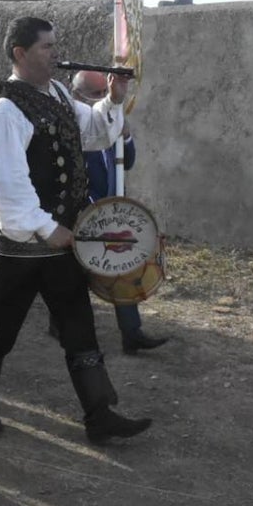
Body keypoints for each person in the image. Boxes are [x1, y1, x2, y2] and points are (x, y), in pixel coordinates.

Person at [0, 16, 151, 445]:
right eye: (47, 47)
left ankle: (99, 414)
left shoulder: (59, 95)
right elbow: (7, 186)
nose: (55, 53)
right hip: (22, 248)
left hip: (62, 241)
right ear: (20, 53)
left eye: (53, 45)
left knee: (78, 326)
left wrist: (113, 101)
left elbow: (91, 133)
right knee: (2, 326)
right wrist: (47, 228)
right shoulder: (4, 111)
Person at [62, 70, 169, 355]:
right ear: (77, 97)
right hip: (83, 212)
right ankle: (61, 324)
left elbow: (128, 162)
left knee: (120, 265)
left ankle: (131, 334)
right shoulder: (75, 129)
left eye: (104, 93)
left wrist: (127, 135)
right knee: (72, 273)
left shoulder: (111, 121)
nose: (104, 101)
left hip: (111, 210)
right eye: (96, 95)